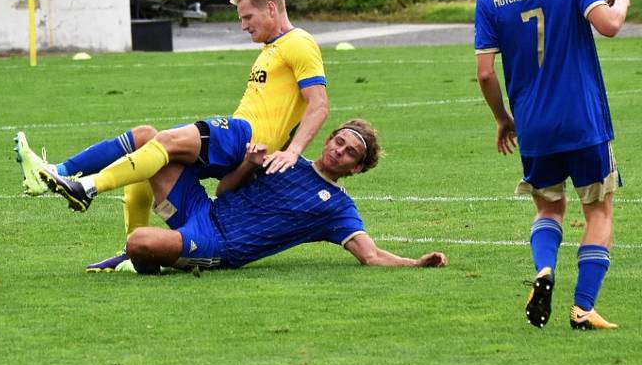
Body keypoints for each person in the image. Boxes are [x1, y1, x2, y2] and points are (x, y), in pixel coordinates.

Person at [15, 0, 329, 270]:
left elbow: (319, 104)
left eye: (247, 17)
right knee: (144, 138)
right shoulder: (270, 50)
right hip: (240, 144)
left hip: (242, 136)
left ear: (271, 8)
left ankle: (86, 187)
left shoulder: (298, 42)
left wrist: (291, 152)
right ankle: (64, 178)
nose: (244, 25)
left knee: (163, 142)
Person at [474, 0, 630, 330]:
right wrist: (623, 1)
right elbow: (610, 25)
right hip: (584, 121)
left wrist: (503, 118)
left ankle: (544, 269)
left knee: (548, 211)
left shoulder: (489, 0)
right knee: (598, 211)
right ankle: (583, 307)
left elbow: (485, 72)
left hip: (535, 127)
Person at [41, 119, 448, 273]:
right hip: (203, 210)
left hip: (221, 245)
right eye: (338, 141)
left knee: (139, 241)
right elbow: (224, 189)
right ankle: (73, 177)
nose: (338, 150)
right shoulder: (287, 162)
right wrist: (249, 165)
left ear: (357, 168)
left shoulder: (338, 208)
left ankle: (143, 259)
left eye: (350, 152)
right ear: (328, 139)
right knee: (149, 139)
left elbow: (370, 255)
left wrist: (416, 262)